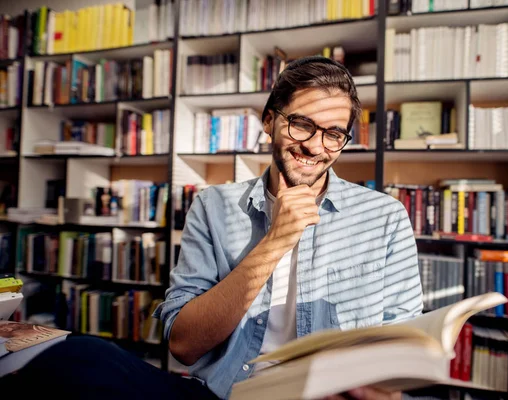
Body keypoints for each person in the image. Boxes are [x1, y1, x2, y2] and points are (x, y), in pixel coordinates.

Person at [0, 56, 422, 400]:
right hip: (225, 395)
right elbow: (184, 345)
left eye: (334, 134)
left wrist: (373, 383)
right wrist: (275, 241)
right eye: (302, 124)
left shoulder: (383, 218)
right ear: (270, 121)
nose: (315, 146)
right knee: (76, 358)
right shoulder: (213, 205)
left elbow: (401, 352)